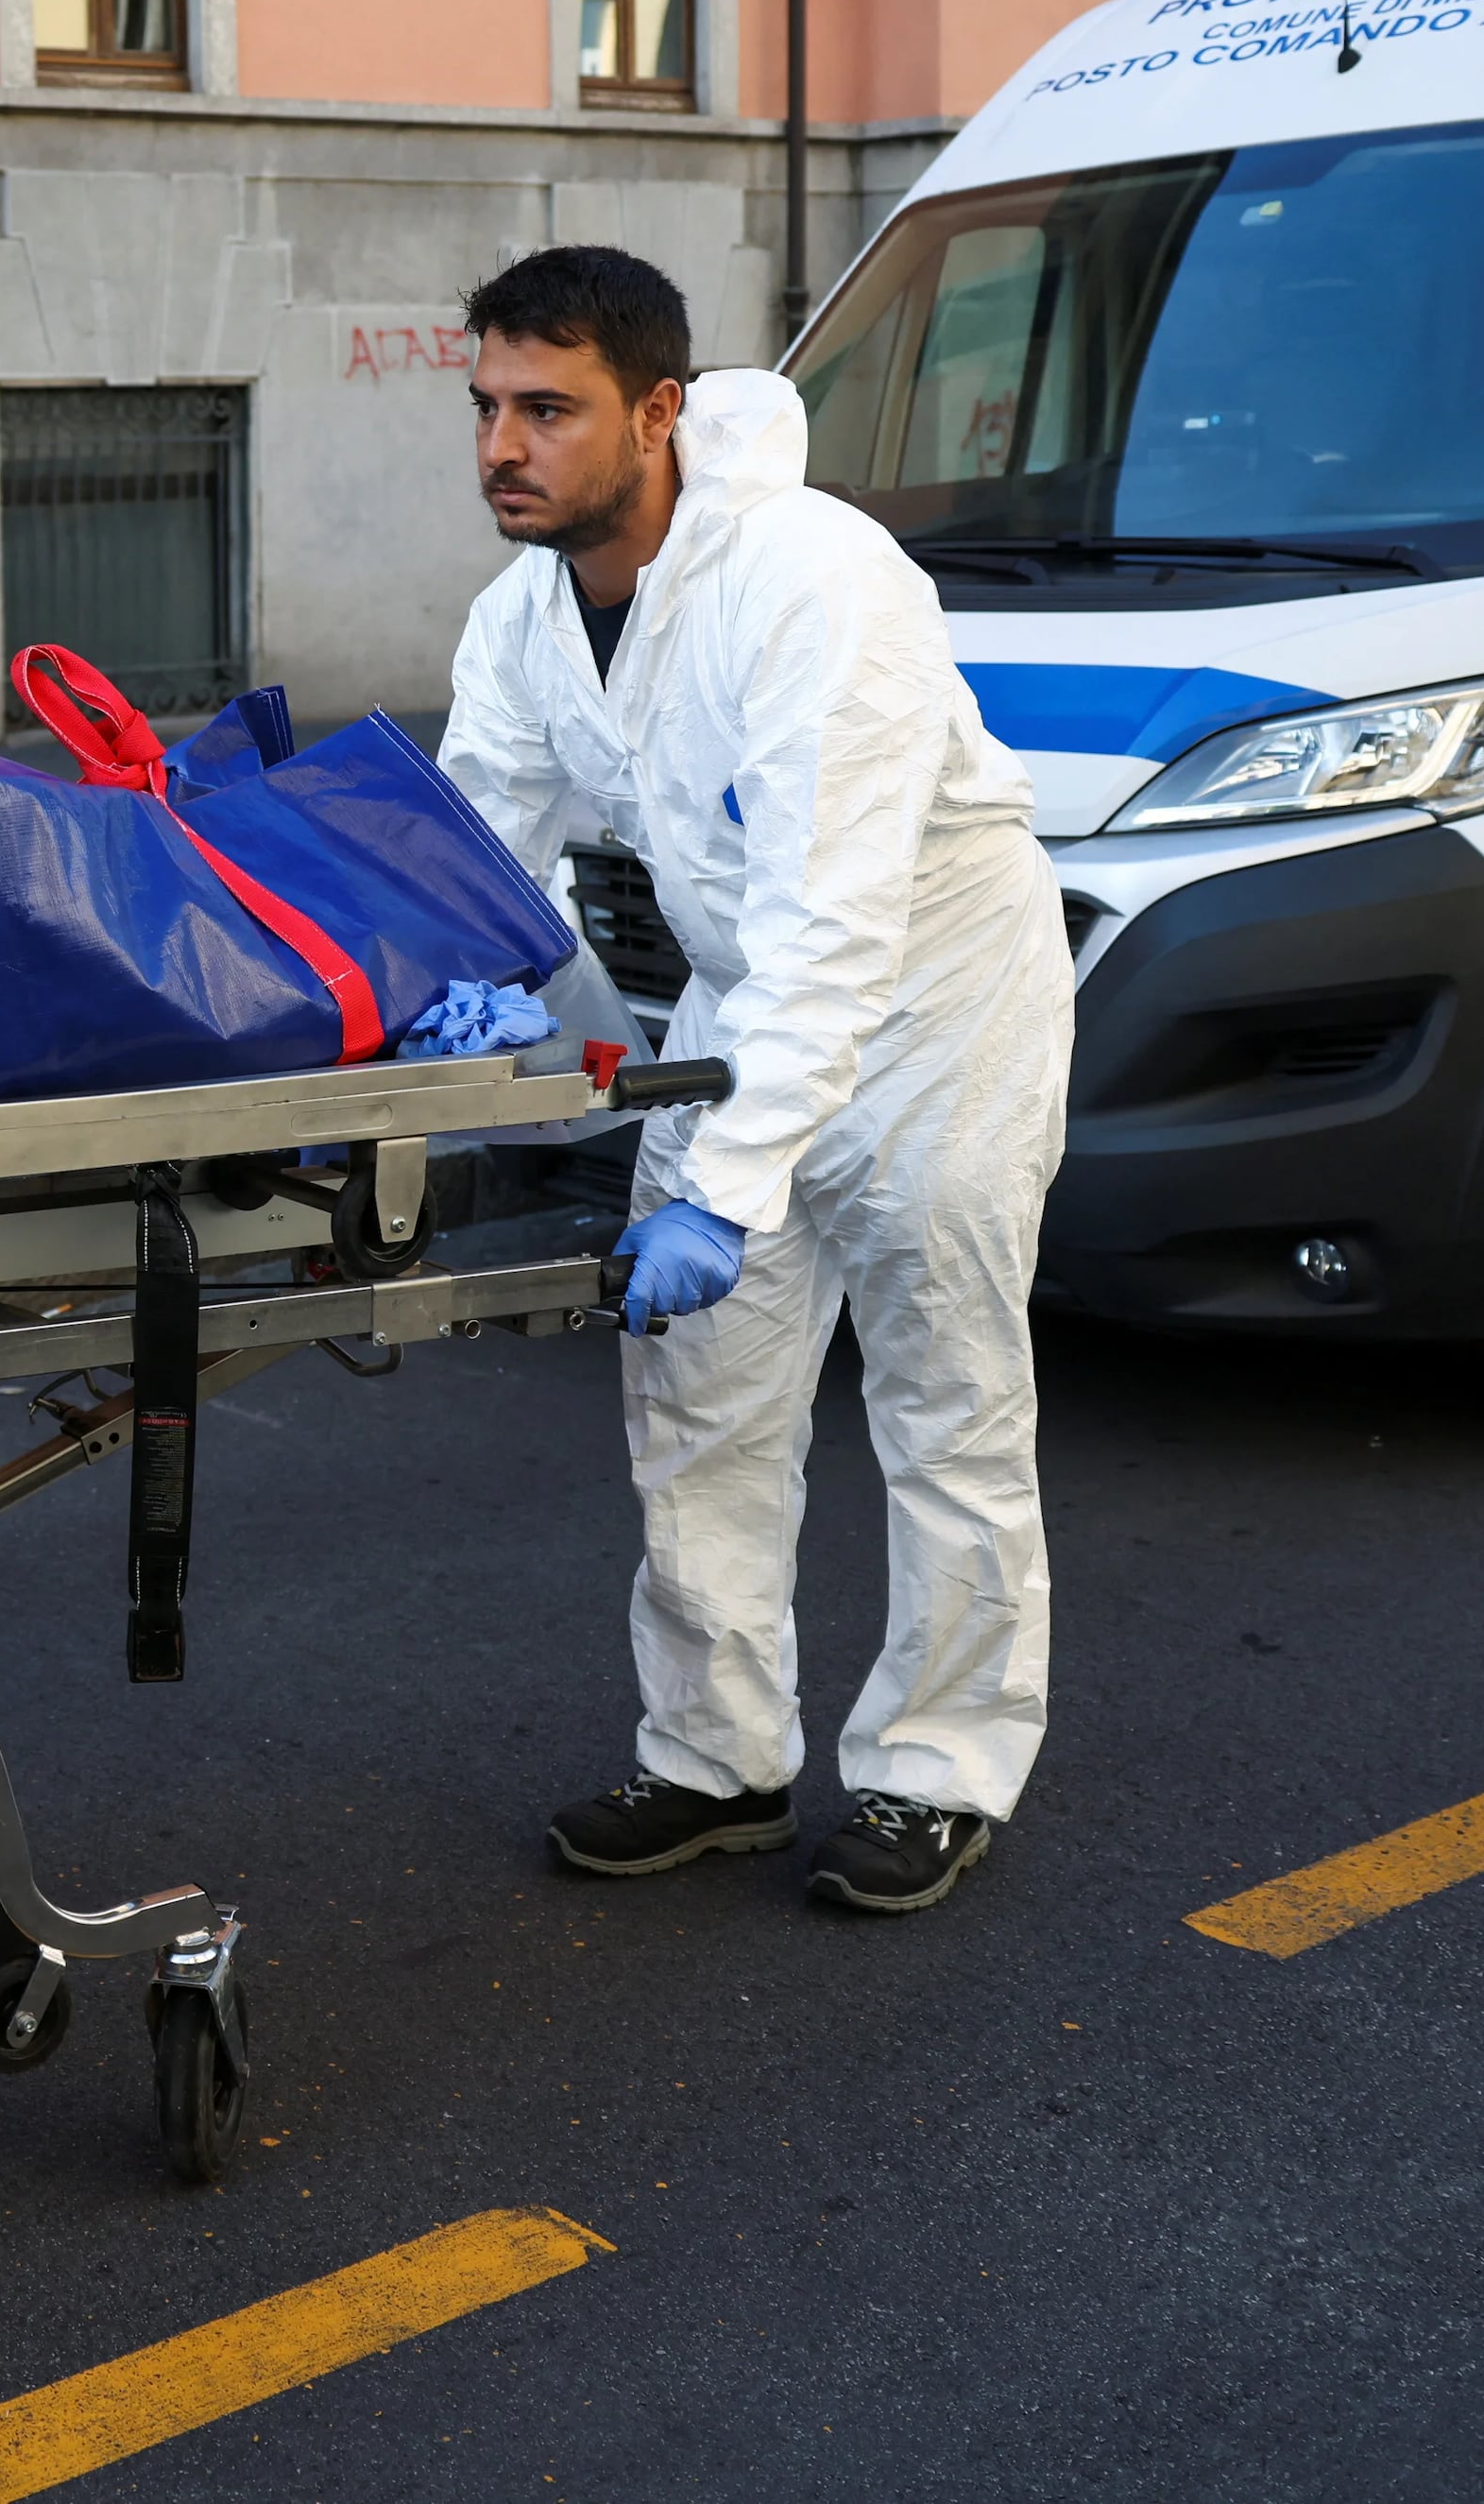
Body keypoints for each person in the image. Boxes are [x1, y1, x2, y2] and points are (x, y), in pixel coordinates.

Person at [436, 245, 1067, 1915]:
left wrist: (725, 1182)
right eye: (488, 404)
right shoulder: (524, 619)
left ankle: (940, 1765)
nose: (504, 443)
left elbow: (837, 918)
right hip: (745, 999)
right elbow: (472, 845)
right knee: (700, 1398)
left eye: (548, 408)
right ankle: (718, 1758)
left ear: (658, 411)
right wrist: (417, 995)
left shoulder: (817, 581)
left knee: (941, 1390)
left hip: (941, 993)